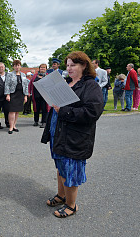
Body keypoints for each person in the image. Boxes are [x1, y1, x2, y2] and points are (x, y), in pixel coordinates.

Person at [41, 51, 103, 218]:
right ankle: (62, 196)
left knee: (71, 170)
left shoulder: (91, 86)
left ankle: (71, 205)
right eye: (67, 65)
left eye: (73, 65)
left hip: (75, 137)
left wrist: (64, 111)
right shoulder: (66, 83)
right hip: (58, 134)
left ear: (84, 65)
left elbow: (92, 112)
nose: (69, 68)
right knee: (60, 166)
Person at [4, 59, 29, 134]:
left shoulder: (23, 75)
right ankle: (11, 127)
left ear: (20, 66)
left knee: (17, 111)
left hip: (20, 94)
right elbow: (7, 84)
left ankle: (14, 125)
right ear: (13, 67)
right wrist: (7, 94)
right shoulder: (10, 74)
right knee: (12, 111)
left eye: (18, 65)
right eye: (15, 65)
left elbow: (25, 85)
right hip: (13, 94)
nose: (17, 67)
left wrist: (25, 96)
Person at [29, 63, 49, 128]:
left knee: (44, 109)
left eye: (44, 68)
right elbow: (30, 85)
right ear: (39, 68)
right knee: (36, 109)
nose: (42, 69)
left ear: (46, 69)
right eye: (41, 67)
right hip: (36, 95)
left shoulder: (48, 76)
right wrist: (29, 92)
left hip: (45, 96)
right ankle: (36, 121)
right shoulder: (35, 76)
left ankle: (44, 122)